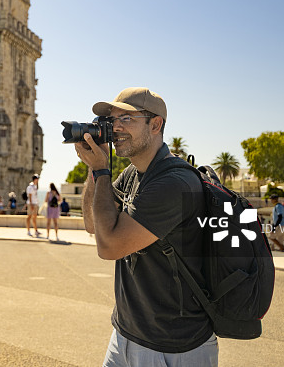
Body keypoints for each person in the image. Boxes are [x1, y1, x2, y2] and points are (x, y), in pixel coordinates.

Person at [74, 87, 216, 364]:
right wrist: (95, 169)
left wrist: (103, 170)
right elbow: (93, 224)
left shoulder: (174, 183)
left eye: (126, 119)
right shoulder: (133, 174)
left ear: (155, 124)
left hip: (172, 346)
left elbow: (109, 246)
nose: (115, 128)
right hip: (126, 334)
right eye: (112, 120)